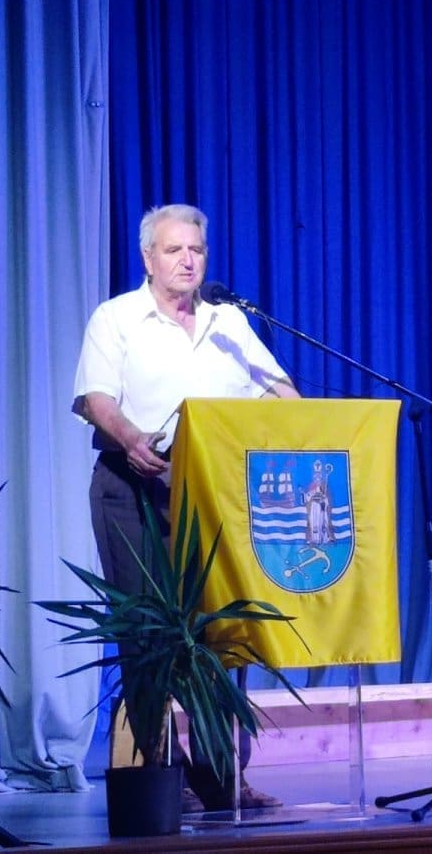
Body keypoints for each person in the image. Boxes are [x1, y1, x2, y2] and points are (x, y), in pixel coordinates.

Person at [72, 203, 299, 811]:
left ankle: (222, 776)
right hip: (133, 487)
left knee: (219, 634)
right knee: (149, 634)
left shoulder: (228, 322)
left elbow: (280, 390)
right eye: (173, 250)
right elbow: (96, 399)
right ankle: (160, 775)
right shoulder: (117, 317)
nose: (187, 260)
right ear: (148, 259)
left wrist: (290, 418)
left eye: (196, 249)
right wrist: (131, 438)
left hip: (212, 492)